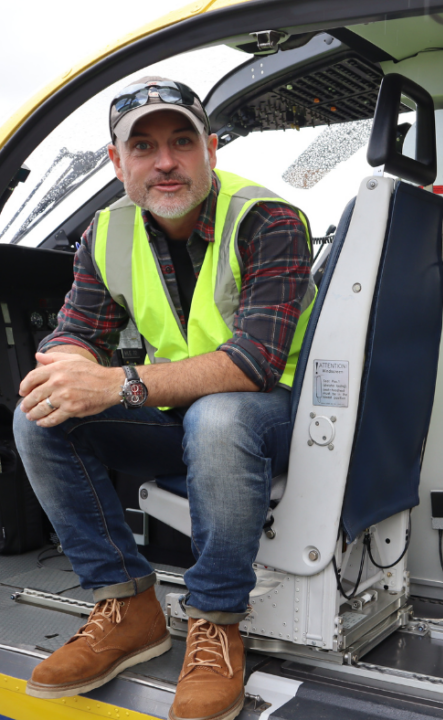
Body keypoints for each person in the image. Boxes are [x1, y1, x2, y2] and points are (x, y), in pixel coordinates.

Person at [12, 76, 315, 720]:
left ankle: (215, 621)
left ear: (210, 148)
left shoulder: (270, 219)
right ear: (118, 163)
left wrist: (119, 384)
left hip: (279, 415)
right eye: (144, 147)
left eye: (182, 141)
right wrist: (65, 371)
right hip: (180, 411)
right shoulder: (105, 232)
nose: (166, 161)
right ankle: (126, 603)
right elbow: (75, 331)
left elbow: (255, 361)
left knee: (220, 414)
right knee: (40, 416)